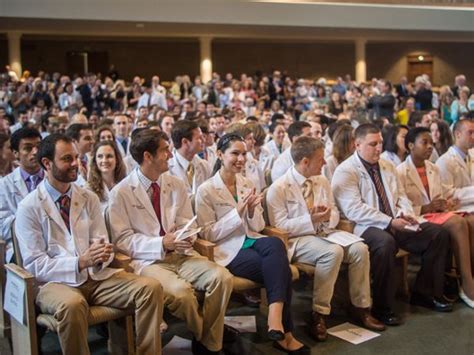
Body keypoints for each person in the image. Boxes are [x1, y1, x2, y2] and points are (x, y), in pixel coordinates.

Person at [15, 133, 163, 354]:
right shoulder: (29, 207)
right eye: (67, 159)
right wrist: (79, 262)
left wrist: (103, 255)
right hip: (54, 283)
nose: (76, 163)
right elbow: (35, 265)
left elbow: (101, 244)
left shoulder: (88, 197)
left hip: (95, 277)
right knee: (72, 306)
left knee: (150, 288)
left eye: (76, 157)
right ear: (47, 163)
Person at [108, 129, 233, 354]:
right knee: (181, 294)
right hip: (148, 262)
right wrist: (161, 243)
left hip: (182, 254)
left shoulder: (174, 184)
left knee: (222, 278)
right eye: (165, 150)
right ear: (148, 156)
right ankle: (208, 337)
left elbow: (188, 222)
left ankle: (208, 345)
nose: (170, 153)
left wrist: (187, 236)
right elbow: (122, 241)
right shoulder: (121, 193)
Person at [196, 133, 308, 353]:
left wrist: (249, 211)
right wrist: (237, 212)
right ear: (220, 154)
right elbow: (209, 234)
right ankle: (284, 333)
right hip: (227, 249)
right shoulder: (206, 190)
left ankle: (275, 318)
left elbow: (257, 226)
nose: (241, 159)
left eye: (243, 154)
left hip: (251, 240)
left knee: (275, 245)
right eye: (235, 153)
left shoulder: (246, 183)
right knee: (281, 268)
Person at [332, 124, 452, 325]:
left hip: (396, 220)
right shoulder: (345, 171)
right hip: (365, 227)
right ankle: (382, 307)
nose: (379, 148)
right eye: (373, 144)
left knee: (437, 234)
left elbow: (400, 196)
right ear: (357, 145)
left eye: (380, 143)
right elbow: (354, 210)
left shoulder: (386, 166)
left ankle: (425, 292)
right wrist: (390, 221)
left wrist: (406, 214)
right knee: (385, 243)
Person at [267, 136, 385, 341]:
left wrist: (327, 216)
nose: (324, 163)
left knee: (359, 248)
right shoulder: (278, 188)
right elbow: (279, 227)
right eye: (320, 159)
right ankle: (319, 313)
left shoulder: (321, 180)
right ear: (305, 162)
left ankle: (361, 306)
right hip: (297, 240)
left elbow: (335, 212)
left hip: (325, 233)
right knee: (333, 252)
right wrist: (309, 220)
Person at [397, 127, 474, 308]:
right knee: (457, 222)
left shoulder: (432, 168)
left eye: (431, 143)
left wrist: (445, 204)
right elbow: (401, 205)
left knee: (471, 220)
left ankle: (463, 275)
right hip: (419, 216)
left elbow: (440, 196)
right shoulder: (400, 171)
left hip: (435, 214)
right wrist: (426, 207)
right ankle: (467, 282)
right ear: (410, 146)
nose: (430, 147)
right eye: (424, 143)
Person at [0, 127, 42, 262]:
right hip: (20, 246)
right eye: (28, 148)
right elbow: (3, 227)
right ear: (16, 153)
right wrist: (31, 217)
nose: (35, 152)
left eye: (38, 147)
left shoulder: (54, 180)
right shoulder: (4, 185)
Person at [436, 118, 474, 207]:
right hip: (458, 209)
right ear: (458, 134)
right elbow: (448, 194)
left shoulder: (472, 154)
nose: (473, 137)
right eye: (470, 133)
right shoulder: (444, 161)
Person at [168, 120, 211, 197]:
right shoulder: (167, 168)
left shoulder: (205, 165)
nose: (204, 141)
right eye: (199, 138)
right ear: (185, 142)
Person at [87, 141, 126, 213]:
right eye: (100, 156)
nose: (104, 160)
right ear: (95, 160)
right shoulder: (88, 190)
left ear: (117, 159)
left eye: (109, 156)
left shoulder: (126, 186)